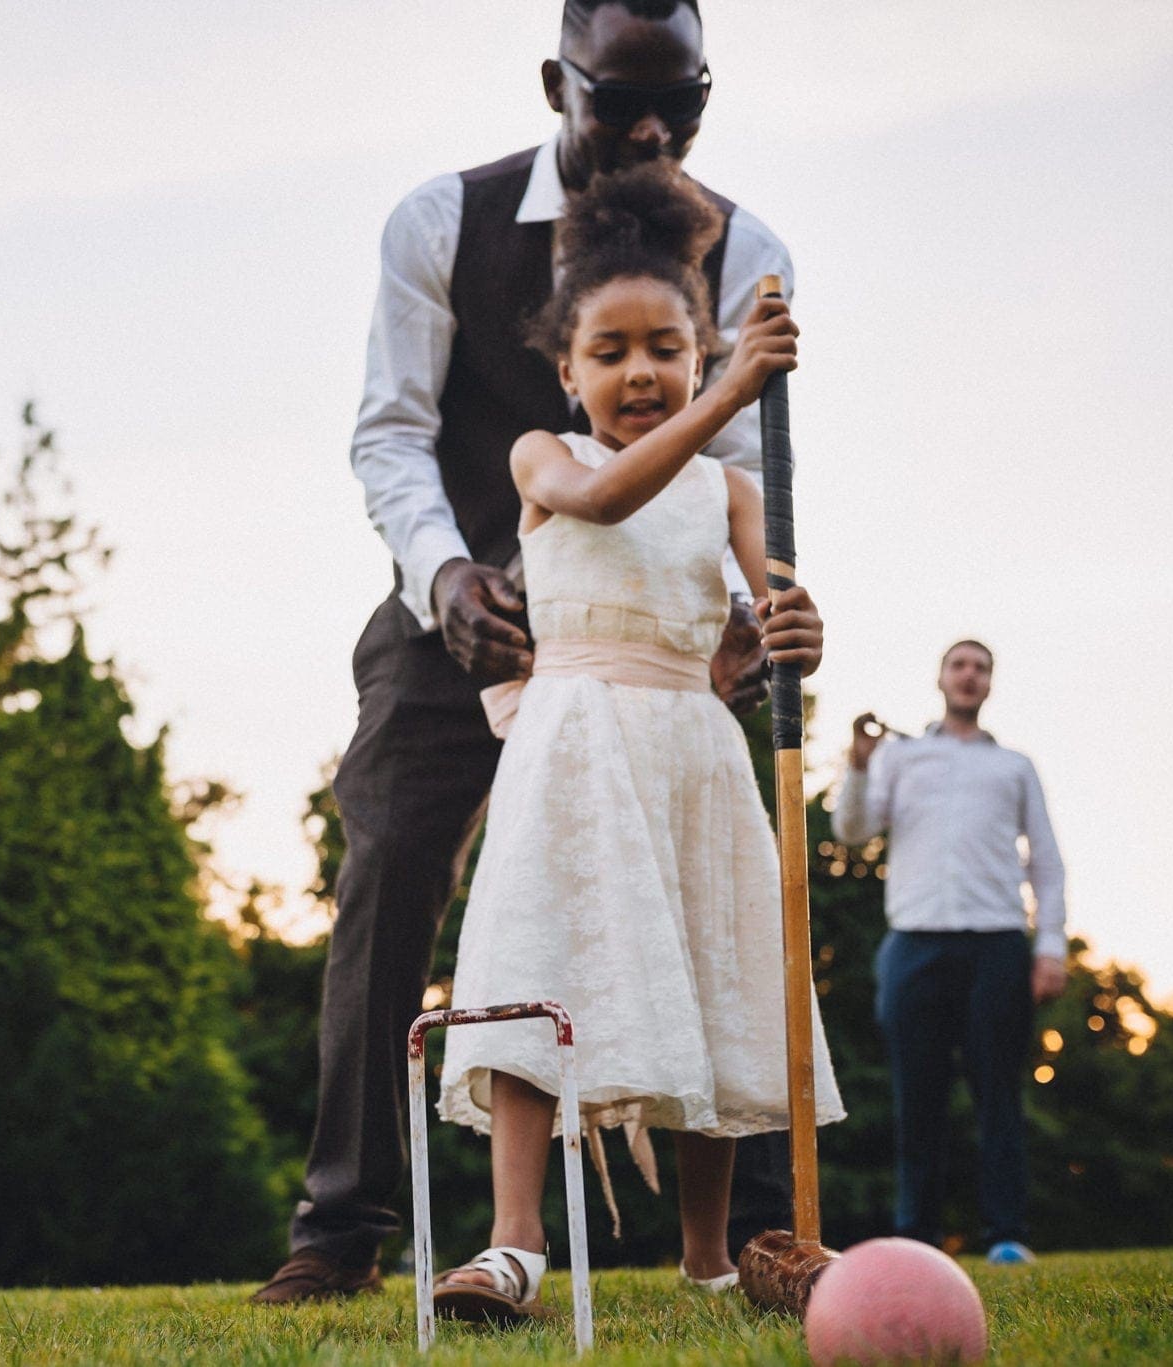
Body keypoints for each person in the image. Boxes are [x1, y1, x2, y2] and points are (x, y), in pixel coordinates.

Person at [253, 0, 807, 1305]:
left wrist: (744, 618)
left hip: (650, 647)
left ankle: (753, 1238)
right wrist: (444, 572)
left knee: (712, 899)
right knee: (390, 863)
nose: (654, 129)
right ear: (556, 79)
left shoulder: (750, 248)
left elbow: (743, 472)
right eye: (619, 99)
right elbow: (392, 430)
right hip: (464, 605)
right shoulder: (440, 221)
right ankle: (342, 1228)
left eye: (685, 101)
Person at [424, 161, 845, 1323]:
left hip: (692, 755)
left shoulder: (728, 493)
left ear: (698, 349)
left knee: (711, 976)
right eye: (606, 352)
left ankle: (707, 1252)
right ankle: (513, 1241)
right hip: (573, 741)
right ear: (566, 372)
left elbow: (771, 619)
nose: (639, 371)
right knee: (530, 968)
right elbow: (603, 505)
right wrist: (735, 394)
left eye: (665, 345)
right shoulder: (539, 457)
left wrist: (798, 631)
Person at [832, 640, 1069, 1263]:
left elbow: (1046, 862)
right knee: (918, 1097)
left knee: (999, 1094)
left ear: (990, 684)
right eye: (960, 665)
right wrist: (858, 765)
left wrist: (1051, 948)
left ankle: (1006, 1236)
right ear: (941, 678)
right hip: (913, 941)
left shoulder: (1014, 766)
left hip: (997, 943)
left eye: (981, 667)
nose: (970, 675)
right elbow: (852, 832)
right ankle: (917, 1240)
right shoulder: (900, 755)